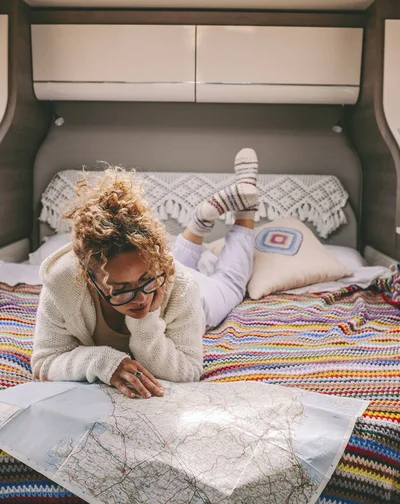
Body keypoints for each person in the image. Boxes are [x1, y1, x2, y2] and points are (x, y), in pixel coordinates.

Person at [31, 148, 259, 399]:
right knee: (160, 273)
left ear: (156, 259)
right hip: (163, 273)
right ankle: (198, 224)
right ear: (89, 278)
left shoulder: (183, 286)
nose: (140, 299)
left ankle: (246, 212)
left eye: (146, 279)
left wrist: (145, 321)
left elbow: (189, 371)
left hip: (197, 300)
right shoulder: (63, 282)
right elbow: (45, 361)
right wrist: (103, 362)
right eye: (120, 289)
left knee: (230, 283)